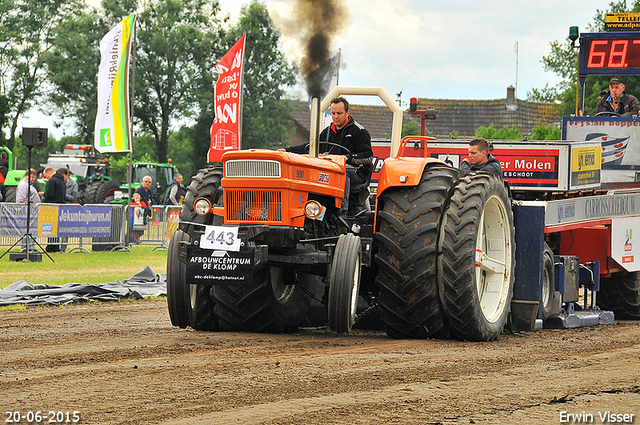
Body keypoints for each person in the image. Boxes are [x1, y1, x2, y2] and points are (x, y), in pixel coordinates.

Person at [286, 96, 373, 214]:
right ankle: (311, 209)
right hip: (331, 170)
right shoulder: (327, 132)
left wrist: (348, 158)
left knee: (342, 173)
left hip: (356, 171)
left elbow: (367, 157)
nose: (336, 116)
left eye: (339, 113)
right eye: (333, 113)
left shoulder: (358, 132)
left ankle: (342, 211)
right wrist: (287, 150)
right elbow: (311, 146)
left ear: (348, 113)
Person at [16, 169, 40, 252]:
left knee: (32, 230)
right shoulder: (23, 185)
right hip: (27, 211)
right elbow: (22, 199)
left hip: (32, 211)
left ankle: (30, 246)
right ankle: (25, 247)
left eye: (34, 177)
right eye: (31, 177)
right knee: (26, 230)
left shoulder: (29, 185)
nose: (33, 179)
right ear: (26, 176)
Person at [43, 168, 67, 252]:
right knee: (57, 229)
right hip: (60, 207)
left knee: (51, 228)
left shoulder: (52, 181)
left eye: (46, 176)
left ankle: (51, 246)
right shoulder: (62, 180)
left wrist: (44, 195)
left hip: (52, 208)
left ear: (49, 173)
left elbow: (50, 195)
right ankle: (55, 246)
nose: (46, 178)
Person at [60, 169, 78, 253]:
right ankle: (55, 246)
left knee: (65, 229)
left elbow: (74, 197)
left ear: (66, 175)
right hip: (59, 207)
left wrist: (63, 195)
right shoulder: (59, 183)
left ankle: (63, 248)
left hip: (67, 209)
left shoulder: (73, 184)